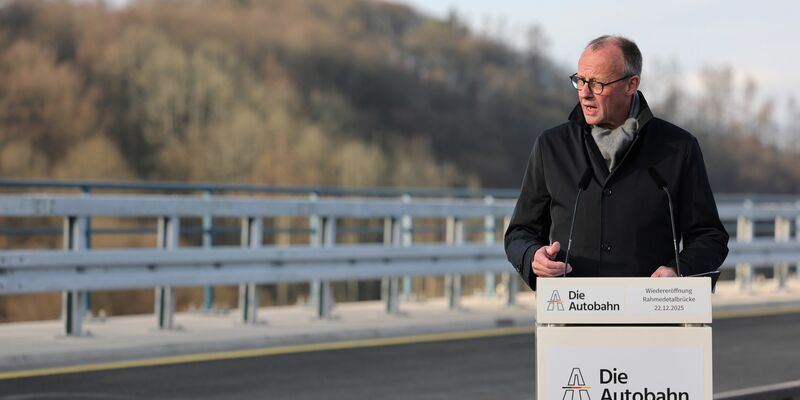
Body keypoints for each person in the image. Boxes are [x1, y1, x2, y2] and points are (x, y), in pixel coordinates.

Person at [504, 35, 729, 290]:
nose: (585, 93)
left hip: (653, 317)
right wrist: (533, 256)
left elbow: (709, 237)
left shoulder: (679, 148)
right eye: (580, 81)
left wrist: (679, 271)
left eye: (597, 84)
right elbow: (520, 233)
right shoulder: (551, 147)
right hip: (570, 317)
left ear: (631, 84)